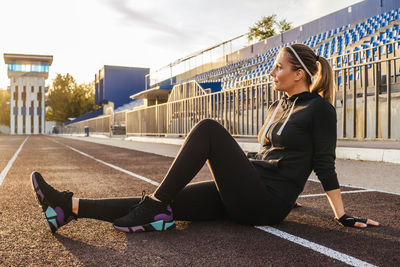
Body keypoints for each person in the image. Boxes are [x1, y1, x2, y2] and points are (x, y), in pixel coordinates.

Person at [32, 44, 379, 234]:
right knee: (166, 204)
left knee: (209, 129)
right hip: (250, 189)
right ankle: (69, 208)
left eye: (278, 67)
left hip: (264, 204)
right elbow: (276, 157)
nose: (272, 72)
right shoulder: (282, 105)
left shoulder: (320, 110)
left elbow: (323, 165)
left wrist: (341, 215)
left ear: (298, 73)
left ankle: (152, 207)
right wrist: (289, 191)